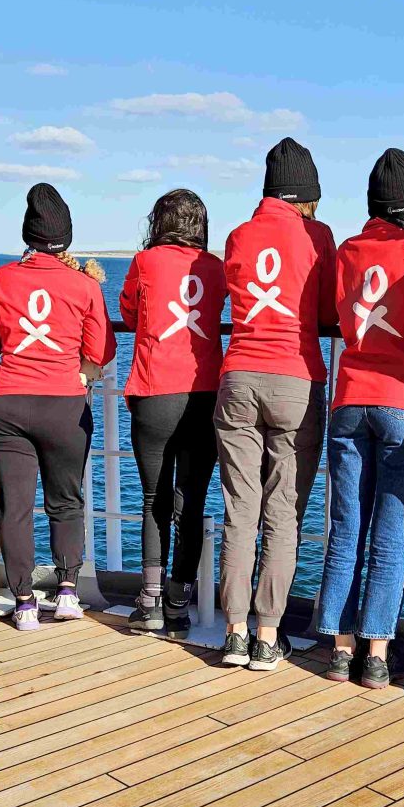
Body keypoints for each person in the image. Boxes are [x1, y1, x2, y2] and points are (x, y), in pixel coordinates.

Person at [316, 149, 404, 689]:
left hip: (348, 399)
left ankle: (340, 650)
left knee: (347, 526)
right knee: (392, 533)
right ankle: (376, 654)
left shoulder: (349, 250)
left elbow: (335, 314)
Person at [216, 136, 337, 670]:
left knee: (239, 511)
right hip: (296, 380)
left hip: (238, 375)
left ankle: (235, 634)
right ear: (308, 195)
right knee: (282, 513)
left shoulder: (239, 234)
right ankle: (268, 636)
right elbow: (331, 305)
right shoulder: (317, 236)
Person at [0, 183, 116, 631]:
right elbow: (101, 350)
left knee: (14, 506)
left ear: (28, 235)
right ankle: (69, 591)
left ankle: (22, 602)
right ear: (66, 238)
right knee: (66, 500)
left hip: (8, 404)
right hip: (63, 406)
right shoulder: (83, 286)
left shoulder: (0, 279)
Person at [119, 189, 226, 638]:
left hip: (154, 389)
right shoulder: (215, 267)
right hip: (205, 393)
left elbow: (128, 313)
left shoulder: (146, 263)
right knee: (193, 501)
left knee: (154, 501)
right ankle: (180, 600)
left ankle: (151, 602)